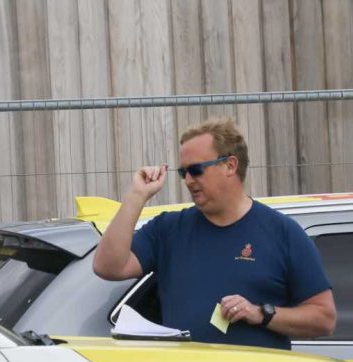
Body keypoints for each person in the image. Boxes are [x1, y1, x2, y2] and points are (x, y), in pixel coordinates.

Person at [93, 116, 335, 349]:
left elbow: (324, 318)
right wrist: (136, 195)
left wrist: (261, 313)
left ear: (230, 165)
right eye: (183, 172)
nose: (188, 180)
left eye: (196, 170)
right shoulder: (168, 229)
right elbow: (107, 267)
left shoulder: (282, 232)